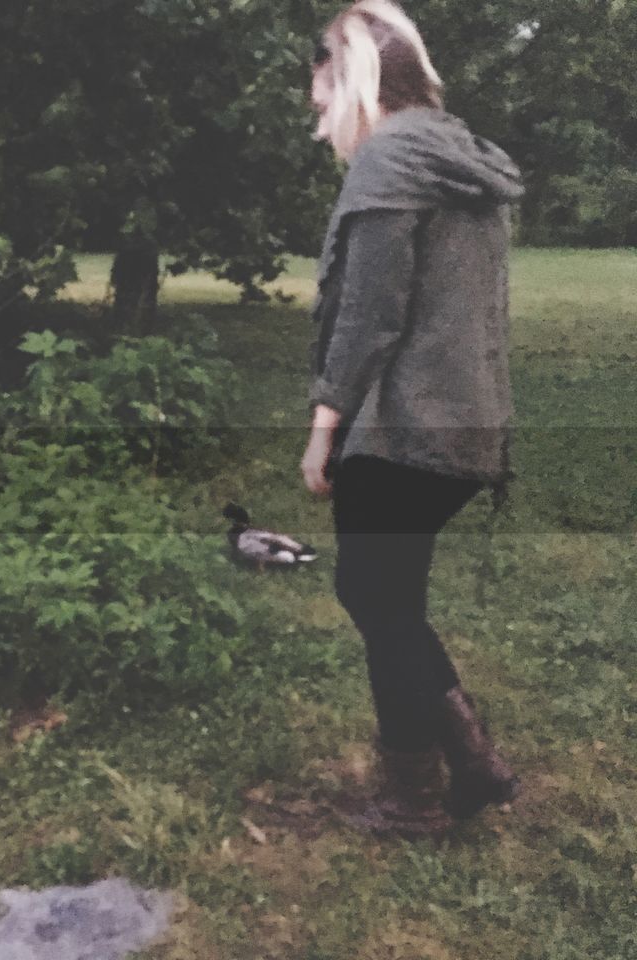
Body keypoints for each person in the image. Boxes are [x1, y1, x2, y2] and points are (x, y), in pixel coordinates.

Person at [301, 0, 521, 837]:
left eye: (322, 104)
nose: (319, 126)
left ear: (352, 81)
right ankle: (472, 764)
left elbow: (369, 317)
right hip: (468, 422)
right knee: (390, 596)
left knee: (373, 594)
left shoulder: (389, 161)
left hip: (406, 428)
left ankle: (416, 799)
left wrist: (325, 428)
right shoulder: (455, 155)